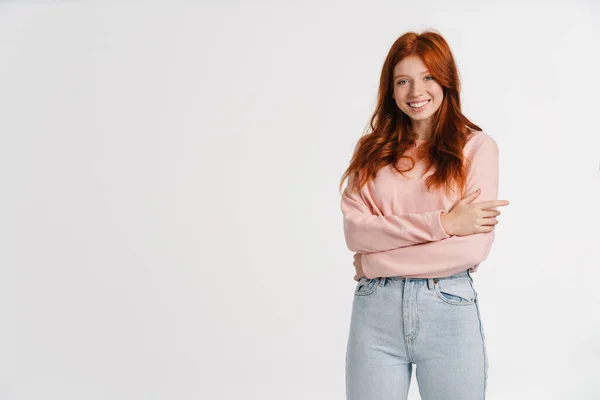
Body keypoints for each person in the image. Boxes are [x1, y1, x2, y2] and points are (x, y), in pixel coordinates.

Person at [338, 30, 510, 400]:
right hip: (375, 313)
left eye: (428, 77)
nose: (416, 92)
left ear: (446, 80)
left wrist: (373, 261)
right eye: (403, 81)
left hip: (448, 306)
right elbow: (356, 233)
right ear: (391, 89)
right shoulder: (371, 152)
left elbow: (468, 252)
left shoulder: (476, 149)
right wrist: (444, 224)